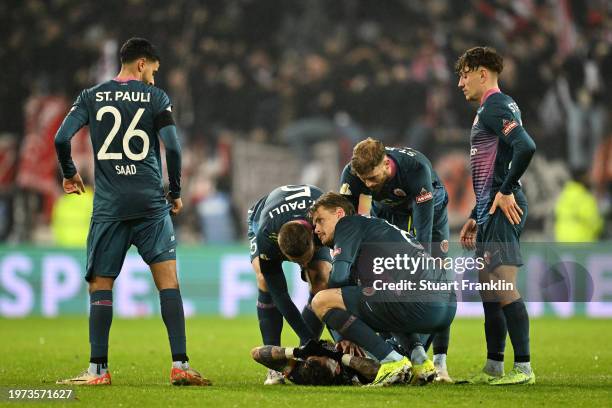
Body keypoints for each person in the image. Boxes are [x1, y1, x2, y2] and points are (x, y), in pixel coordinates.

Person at [54, 38, 210, 386]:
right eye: (154, 69)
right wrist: (176, 192)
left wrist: (68, 172)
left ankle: (98, 370)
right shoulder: (156, 98)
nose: (155, 77)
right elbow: (173, 147)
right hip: (150, 203)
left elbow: (61, 139)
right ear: (141, 63)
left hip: (111, 205)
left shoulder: (91, 96)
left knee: (100, 284)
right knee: (168, 282)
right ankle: (180, 366)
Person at [309, 192, 456, 386]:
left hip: (421, 302)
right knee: (380, 297)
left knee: (321, 301)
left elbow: (338, 277)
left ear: (339, 213)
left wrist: (346, 332)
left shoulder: (347, 224)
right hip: (446, 308)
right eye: (314, 224)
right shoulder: (374, 228)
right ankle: (420, 361)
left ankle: (392, 361)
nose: (316, 229)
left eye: (320, 220)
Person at [339, 138, 453, 382]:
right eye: (364, 181)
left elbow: (422, 235)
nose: (368, 185)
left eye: (372, 178)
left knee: (436, 279)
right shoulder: (352, 174)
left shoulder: (416, 170)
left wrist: (419, 266)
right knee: (385, 278)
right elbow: (347, 225)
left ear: (386, 163)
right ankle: (408, 349)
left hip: (430, 211)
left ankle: (441, 364)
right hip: (389, 212)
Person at [456, 46, 536, 385]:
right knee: (489, 290)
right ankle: (494, 366)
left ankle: (524, 369)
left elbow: (526, 146)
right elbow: (494, 166)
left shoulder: (495, 107)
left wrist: (505, 191)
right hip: (490, 209)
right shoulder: (493, 108)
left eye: (464, 74)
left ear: (481, 73)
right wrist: (477, 212)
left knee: (502, 287)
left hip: (504, 206)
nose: (460, 83)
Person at [247, 184, 332, 384]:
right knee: (264, 280)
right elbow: (281, 297)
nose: (302, 265)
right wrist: (311, 339)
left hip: (306, 215)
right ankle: (274, 369)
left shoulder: (323, 222)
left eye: (305, 258)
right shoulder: (267, 237)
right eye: (295, 261)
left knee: (322, 279)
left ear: (314, 241)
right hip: (263, 215)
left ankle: (305, 356)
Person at [251, 341, 380, 386]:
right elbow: (378, 369)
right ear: (337, 369)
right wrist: (338, 355)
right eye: (323, 354)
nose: (322, 351)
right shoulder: (354, 374)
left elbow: (256, 353)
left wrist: (297, 352)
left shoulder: (301, 373)